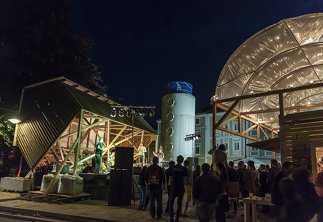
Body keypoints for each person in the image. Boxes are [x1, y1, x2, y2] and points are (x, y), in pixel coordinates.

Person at [169, 155, 188, 222]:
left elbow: (170, 179)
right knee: (179, 204)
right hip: (181, 188)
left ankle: (171, 219)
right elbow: (185, 179)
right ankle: (176, 219)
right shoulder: (184, 169)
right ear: (182, 161)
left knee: (171, 203)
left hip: (174, 188)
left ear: (177, 160)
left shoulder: (173, 168)